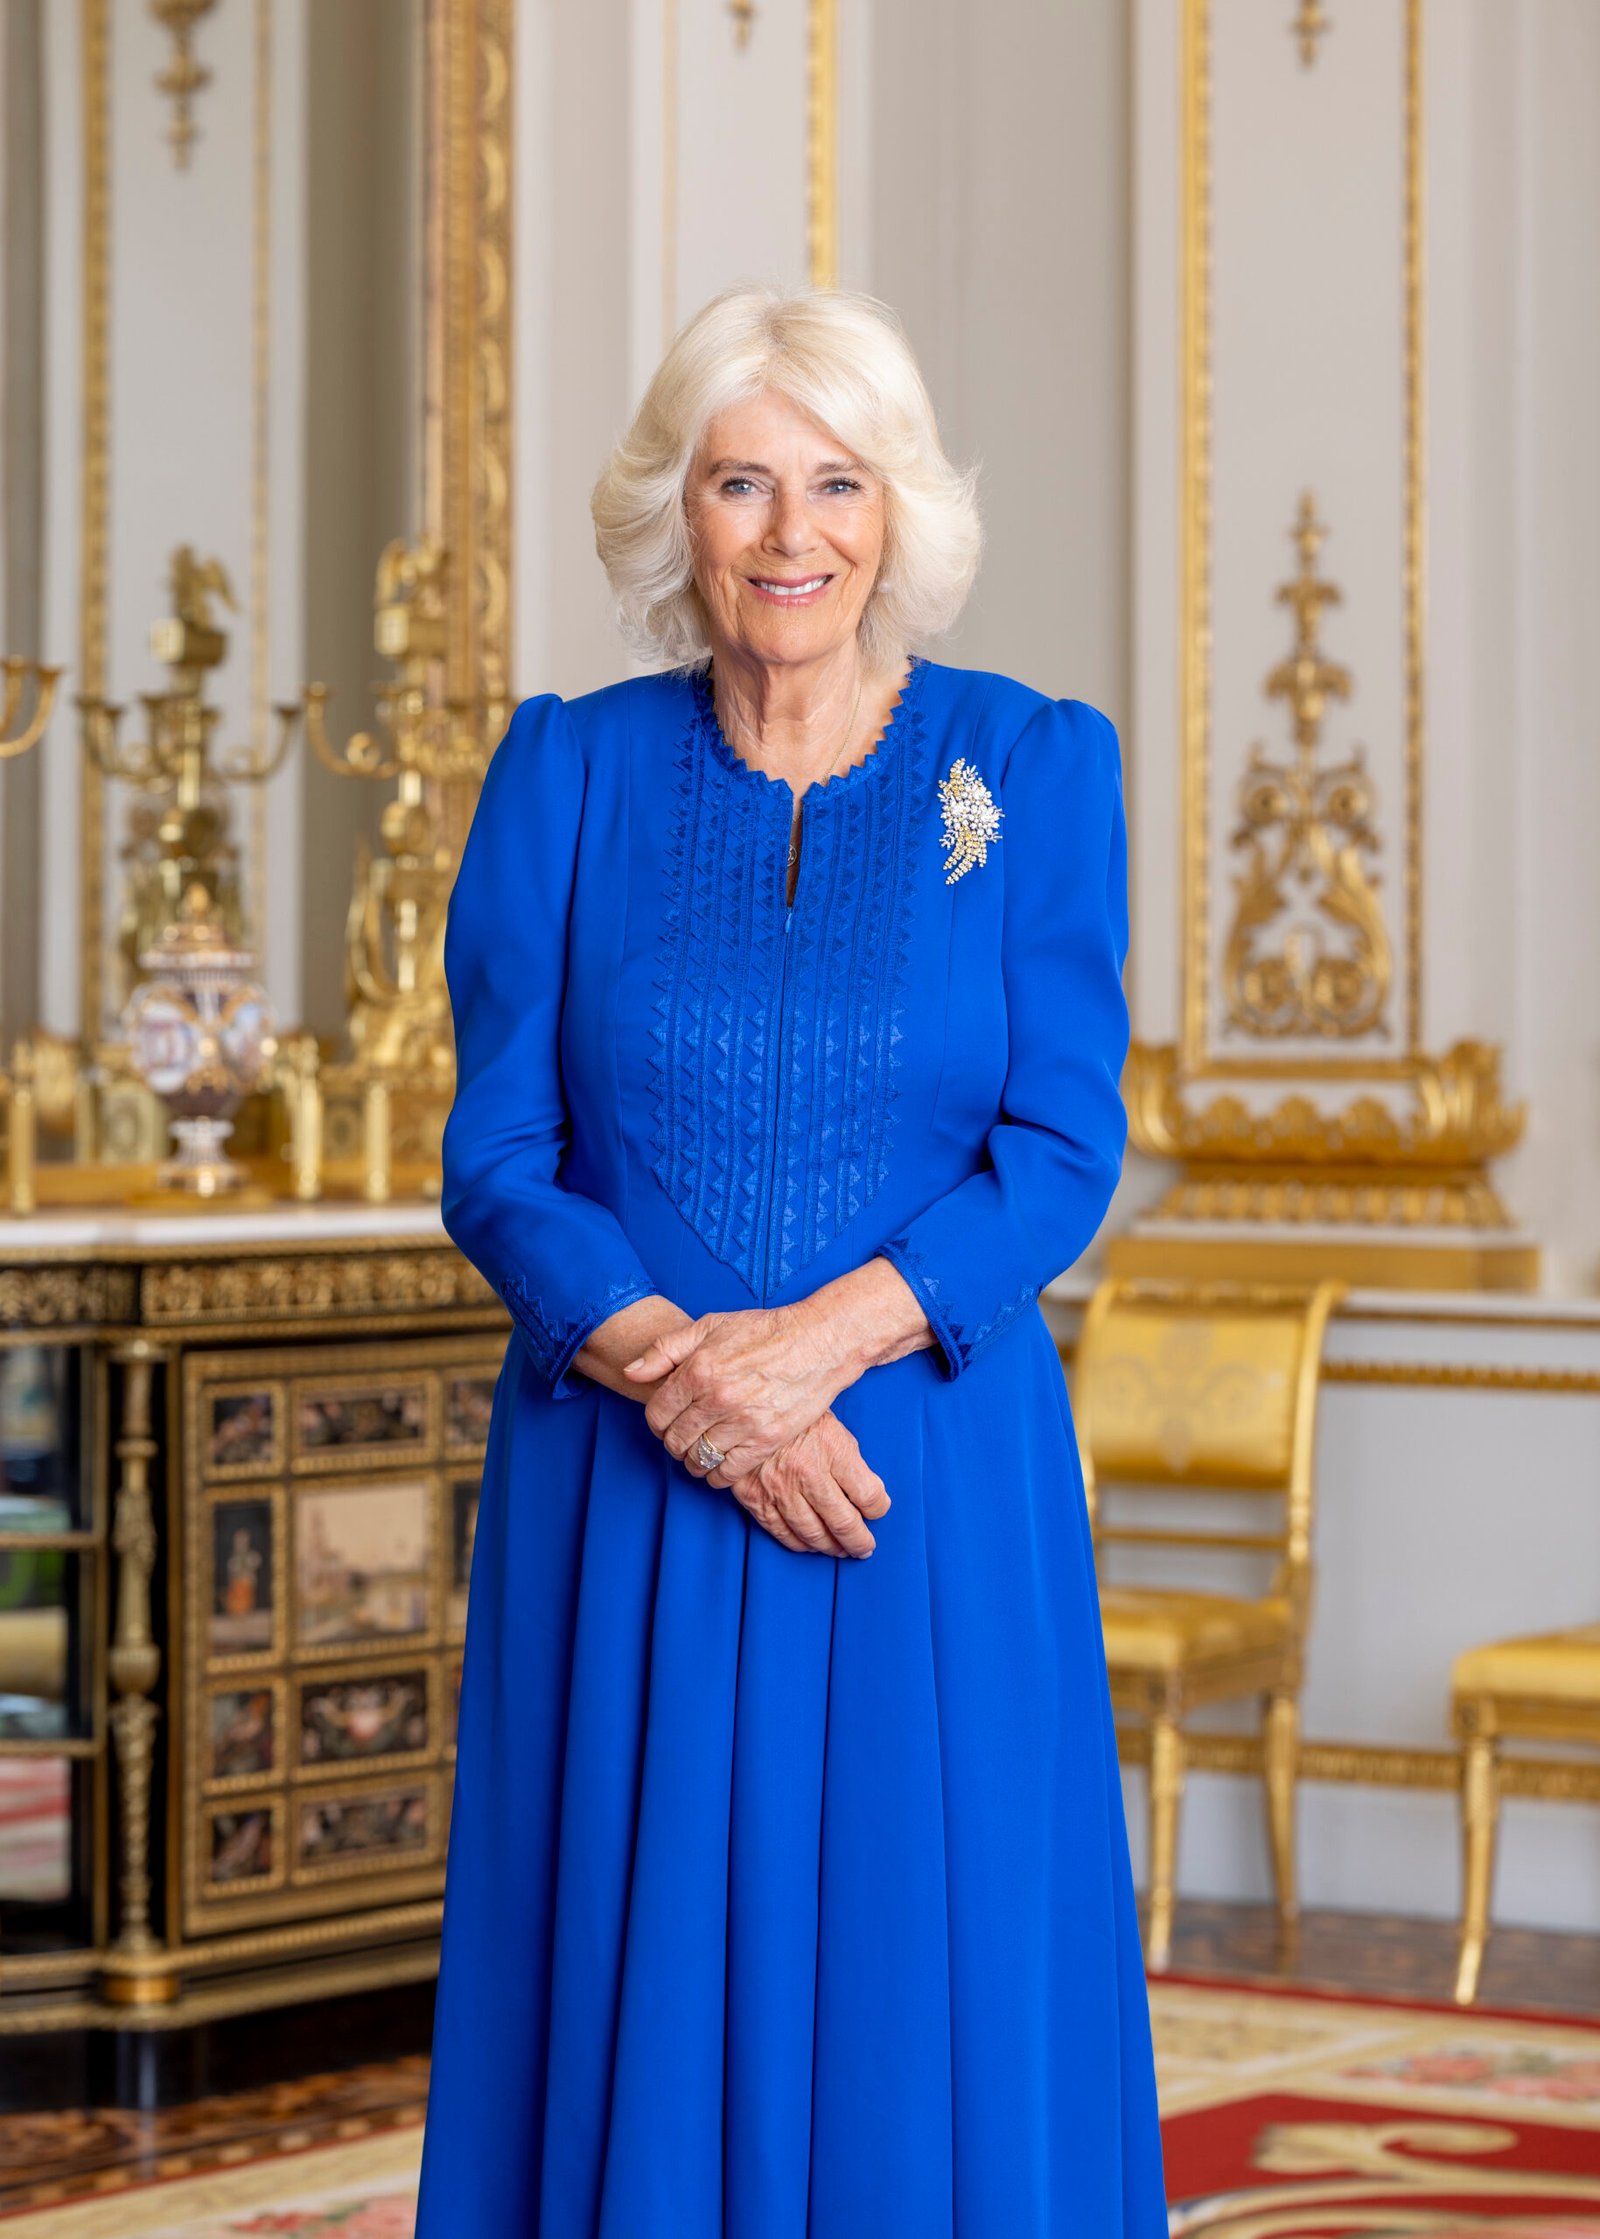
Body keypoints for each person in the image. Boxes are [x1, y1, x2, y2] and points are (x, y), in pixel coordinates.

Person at [415, 283, 1166, 2236]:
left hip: (919, 1476)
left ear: (898, 511)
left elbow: (1061, 1144)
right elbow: (495, 1156)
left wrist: (810, 1354)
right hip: (629, 1482)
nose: (787, 531)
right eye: (737, 482)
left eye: (834, 481)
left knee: (927, 1969)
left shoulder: (1034, 762)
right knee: (633, 1954)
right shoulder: (563, 774)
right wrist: (695, 1381)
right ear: (674, 515)